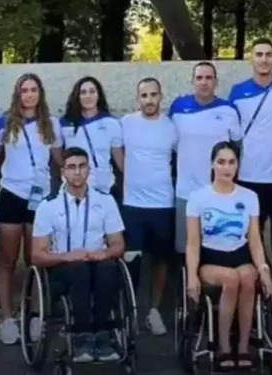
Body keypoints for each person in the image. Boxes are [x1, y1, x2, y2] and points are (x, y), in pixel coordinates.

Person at [228, 37, 272, 331]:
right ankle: (256, 299)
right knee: (250, 244)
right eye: (259, 54)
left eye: (269, 54)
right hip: (247, 181)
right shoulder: (237, 92)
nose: (264, 59)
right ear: (251, 59)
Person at [31, 146, 126, 363]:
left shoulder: (105, 201)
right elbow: (37, 255)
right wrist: (67, 256)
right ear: (63, 171)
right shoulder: (48, 205)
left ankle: (102, 335)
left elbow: (118, 244)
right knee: (78, 269)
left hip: (97, 262)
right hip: (64, 268)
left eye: (82, 166)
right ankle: (83, 336)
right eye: (72, 167)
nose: (77, 172)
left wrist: (103, 253)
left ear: (89, 170)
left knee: (109, 267)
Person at [185, 141, 272, 371]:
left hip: (240, 254)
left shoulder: (249, 196)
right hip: (211, 258)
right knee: (231, 279)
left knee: (247, 278)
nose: (226, 167)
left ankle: (243, 346)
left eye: (232, 162)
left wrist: (263, 269)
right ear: (213, 165)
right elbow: (193, 242)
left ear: (238, 166)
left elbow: (254, 239)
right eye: (221, 162)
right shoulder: (198, 198)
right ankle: (224, 346)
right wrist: (192, 276)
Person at [0, 73, 63, 345]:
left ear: (40, 93)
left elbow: (59, 161)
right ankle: (7, 318)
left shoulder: (51, 124)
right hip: (11, 195)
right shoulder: (5, 123)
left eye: (34, 90)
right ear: (17, 94)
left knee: (36, 260)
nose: (29, 95)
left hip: (41, 199)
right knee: (8, 261)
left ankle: (35, 315)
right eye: (24, 90)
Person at [117, 77, 177, 336]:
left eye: (154, 95)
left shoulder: (172, 127)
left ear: (160, 97)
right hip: (132, 205)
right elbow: (116, 151)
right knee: (131, 260)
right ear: (137, 98)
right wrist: (128, 172)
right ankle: (129, 313)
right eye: (144, 95)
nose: (149, 100)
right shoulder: (125, 124)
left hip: (164, 203)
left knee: (161, 260)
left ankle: (154, 312)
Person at [169, 61, 241, 257]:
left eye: (209, 78)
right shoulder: (177, 108)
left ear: (216, 82)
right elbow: (172, 146)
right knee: (184, 250)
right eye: (199, 78)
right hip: (186, 193)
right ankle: (187, 287)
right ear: (192, 81)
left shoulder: (229, 110)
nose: (204, 82)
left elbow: (235, 147)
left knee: (216, 249)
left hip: (219, 194)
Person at [60, 76, 122, 195]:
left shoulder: (111, 123)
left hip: (104, 189)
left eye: (92, 91)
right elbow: (58, 155)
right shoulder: (65, 124)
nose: (88, 96)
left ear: (98, 95)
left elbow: (119, 160)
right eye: (83, 92)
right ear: (77, 96)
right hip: (73, 190)